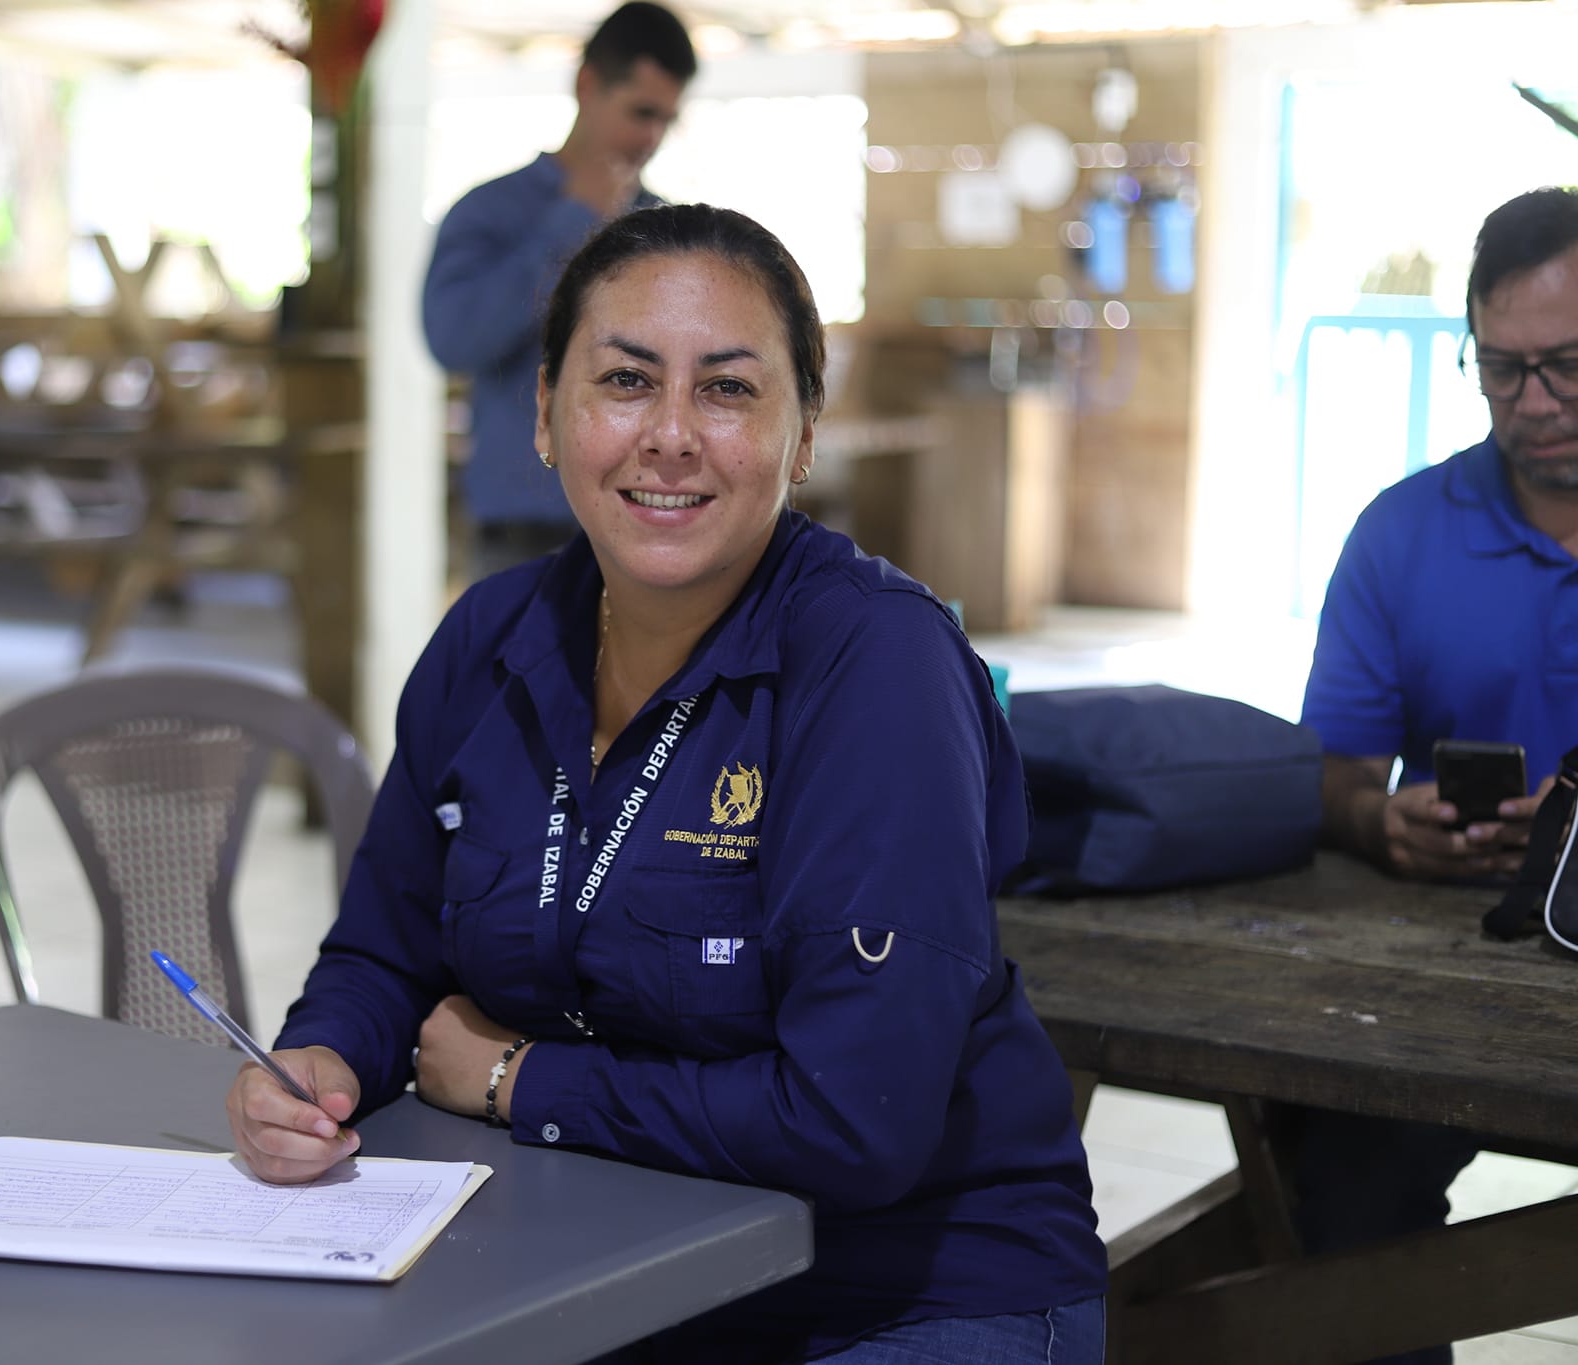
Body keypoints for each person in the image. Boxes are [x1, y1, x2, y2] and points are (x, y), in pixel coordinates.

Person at [228, 204, 1107, 1364]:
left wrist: (518, 1080)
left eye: (728, 390)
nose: (672, 435)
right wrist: (322, 1064)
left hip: (897, 1296)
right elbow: (386, 954)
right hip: (587, 1265)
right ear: (545, 415)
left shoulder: (873, 665)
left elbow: (854, 1121)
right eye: (626, 382)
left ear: (802, 436)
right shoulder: (488, 641)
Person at [1295, 185, 1578, 1365]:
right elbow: (1327, 773)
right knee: (1333, 1184)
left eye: (1567, 365)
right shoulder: (1399, 535)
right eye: (1501, 369)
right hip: (1443, 965)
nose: (1535, 403)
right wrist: (1376, 822)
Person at [423, 3, 697, 579]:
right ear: (588, 85)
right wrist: (575, 220)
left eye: (666, 121)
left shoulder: (664, 228)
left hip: (642, 521)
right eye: (641, 112)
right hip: (520, 533)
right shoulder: (491, 212)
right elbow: (453, 340)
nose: (650, 138)